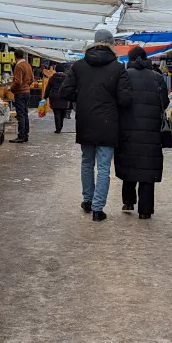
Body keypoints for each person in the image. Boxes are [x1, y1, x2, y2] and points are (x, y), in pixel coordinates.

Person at [60, 29, 132, 222]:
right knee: (103, 168)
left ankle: (87, 201)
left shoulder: (79, 66)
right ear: (111, 45)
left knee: (86, 162)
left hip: (85, 120)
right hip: (108, 122)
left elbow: (64, 91)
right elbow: (125, 99)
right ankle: (98, 209)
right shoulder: (118, 68)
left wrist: (82, 99)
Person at [115, 47, 168, 220]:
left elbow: (119, 101)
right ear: (146, 58)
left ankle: (129, 201)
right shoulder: (158, 77)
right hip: (151, 131)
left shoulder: (124, 76)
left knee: (129, 163)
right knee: (147, 169)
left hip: (127, 128)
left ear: (129, 59)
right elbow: (164, 103)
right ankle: (145, 211)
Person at [10, 50, 33, 143]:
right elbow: (32, 79)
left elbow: (17, 81)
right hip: (27, 92)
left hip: (20, 93)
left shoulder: (18, 66)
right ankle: (25, 134)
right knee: (25, 113)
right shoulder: (28, 65)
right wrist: (27, 86)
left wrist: (12, 89)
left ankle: (21, 136)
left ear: (15, 56)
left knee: (20, 114)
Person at [43, 63, 69, 133]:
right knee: (63, 113)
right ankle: (60, 126)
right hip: (64, 96)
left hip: (54, 96)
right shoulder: (67, 78)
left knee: (56, 113)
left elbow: (48, 88)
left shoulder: (52, 78)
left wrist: (45, 96)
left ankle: (58, 128)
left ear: (56, 69)